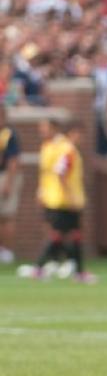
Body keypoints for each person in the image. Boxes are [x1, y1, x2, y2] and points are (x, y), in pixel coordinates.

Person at [20, 119, 96, 284]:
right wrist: (69, 196)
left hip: (59, 199)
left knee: (72, 236)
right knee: (59, 236)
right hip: (64, 201)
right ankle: (42, 267)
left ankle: (76, 271)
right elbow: (60, 172)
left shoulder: (56, 147)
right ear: (73, 133)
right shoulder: (67, 149)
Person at [0, 107, 23, 263]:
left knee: (6, 216)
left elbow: (13, 161)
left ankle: (7, 252)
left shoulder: (9, 134)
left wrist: (8, 182)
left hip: (5, 176)